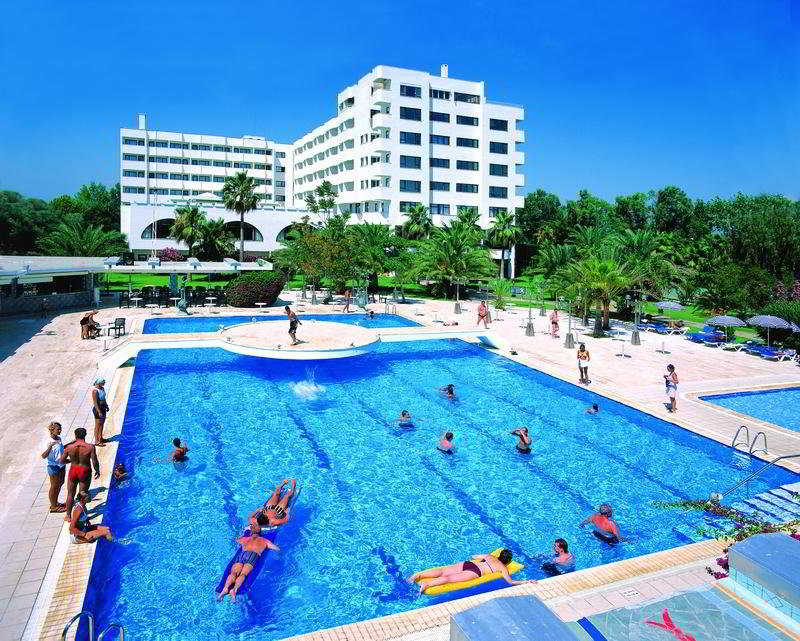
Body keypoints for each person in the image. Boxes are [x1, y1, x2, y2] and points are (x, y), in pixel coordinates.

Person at [407, 549, 536, 594]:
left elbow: (474, 556)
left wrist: (484, 558)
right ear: (507, 561)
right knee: (449, 579)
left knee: (442, 571)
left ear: (499, 555)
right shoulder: (503, 568)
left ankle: (418, 575)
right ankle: (427, 584)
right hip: (475, 571)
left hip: (469, 564)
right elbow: (510, 582)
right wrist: (527, 581)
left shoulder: (490, 556)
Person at [217, 526, 280, 602]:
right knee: (243, 574)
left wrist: (243, 531)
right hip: (253, 555)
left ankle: (225, 588)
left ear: (251, 533)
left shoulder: (245, 539)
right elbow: (277, 548)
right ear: (260, 533)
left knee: (233, 573)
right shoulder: (264, 540)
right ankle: (234, 589)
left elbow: (236, 539)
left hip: (242, 555)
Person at [60, 427, 100, 522]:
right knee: (83, 494)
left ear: (75, 435)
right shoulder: (90, 447)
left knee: (70, 494)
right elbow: (94, 461)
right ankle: (81, 515)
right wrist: (97, 470)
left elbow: (61, 461)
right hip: (85, 471)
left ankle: (68, 515)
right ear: (85, 435)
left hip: (73, 470)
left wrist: (71, 461)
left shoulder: (69, 447)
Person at [41, 422, 66, 513]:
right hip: (53, 466)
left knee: (60, 483)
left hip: (61, 465)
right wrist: (50, 447)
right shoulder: (48, 441)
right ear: (52, 430)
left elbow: (60, 449)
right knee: (54, 486)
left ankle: (56, 502)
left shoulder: (59, 438)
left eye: (60, 429)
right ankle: (53, 507)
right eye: (58, 429)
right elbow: (43, 456)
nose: (60, 431)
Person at [91, 378, 109, 446]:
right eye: (103, 382)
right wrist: (99, 412)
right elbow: (95, 403)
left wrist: (106, 406)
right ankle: (96, 441)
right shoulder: (95, 391)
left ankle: (100, 438)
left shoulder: (102, 388)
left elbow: (104, 399)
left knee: (102, 424)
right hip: (98, 409)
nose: (104, 383)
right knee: (97, 425)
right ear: (99, 383)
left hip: (103, 407)